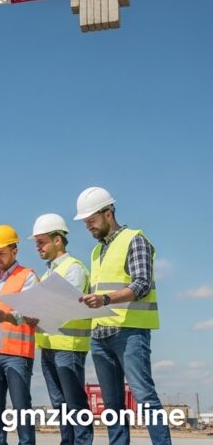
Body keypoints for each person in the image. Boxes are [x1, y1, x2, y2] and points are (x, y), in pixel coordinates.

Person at [75, 187, 171, 445]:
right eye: (85, 223)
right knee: (112, 405)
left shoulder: (135, 239)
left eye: (91, 221)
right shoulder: (96, 252)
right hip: (100, 335)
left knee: (144, 397)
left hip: (129, 333)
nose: (88, 227)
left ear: (108, 214)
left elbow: (141, 284)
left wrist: (105, 299)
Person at [31, 213, 93, 445]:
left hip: (68, 348)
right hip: (48, 347)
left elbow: (68, 306)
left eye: (41, 241)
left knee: (75, 404)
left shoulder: (73, 268)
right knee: (60, 405)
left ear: (58, 240)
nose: (37, 247)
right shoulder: (48, 274)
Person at [0, 224, 38, 445]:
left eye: (1, 253)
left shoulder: (28, 276)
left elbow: (31, 312)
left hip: (17, 354)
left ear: (15, 250)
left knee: (22, 409)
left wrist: (5, 317)